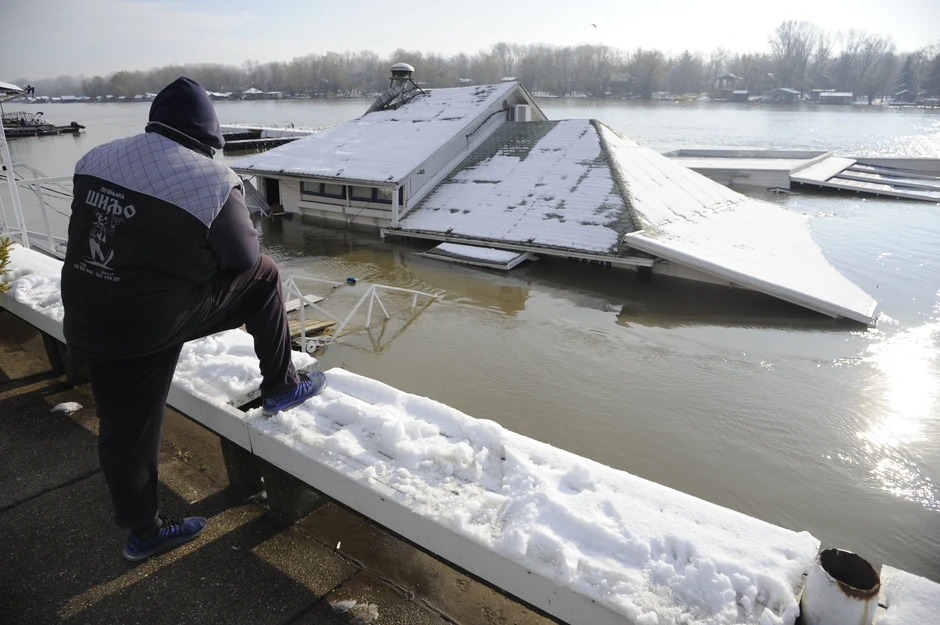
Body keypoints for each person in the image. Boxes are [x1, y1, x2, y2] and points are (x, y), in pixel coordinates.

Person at [60, 77, 326, 562]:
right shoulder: (209, 180)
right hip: (146, 325)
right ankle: (282, 385)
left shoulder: (95, 157)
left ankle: (143, 531)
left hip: (87, 310)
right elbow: (244, 258)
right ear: (209, 136)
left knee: (123, 428)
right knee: (266, 276)